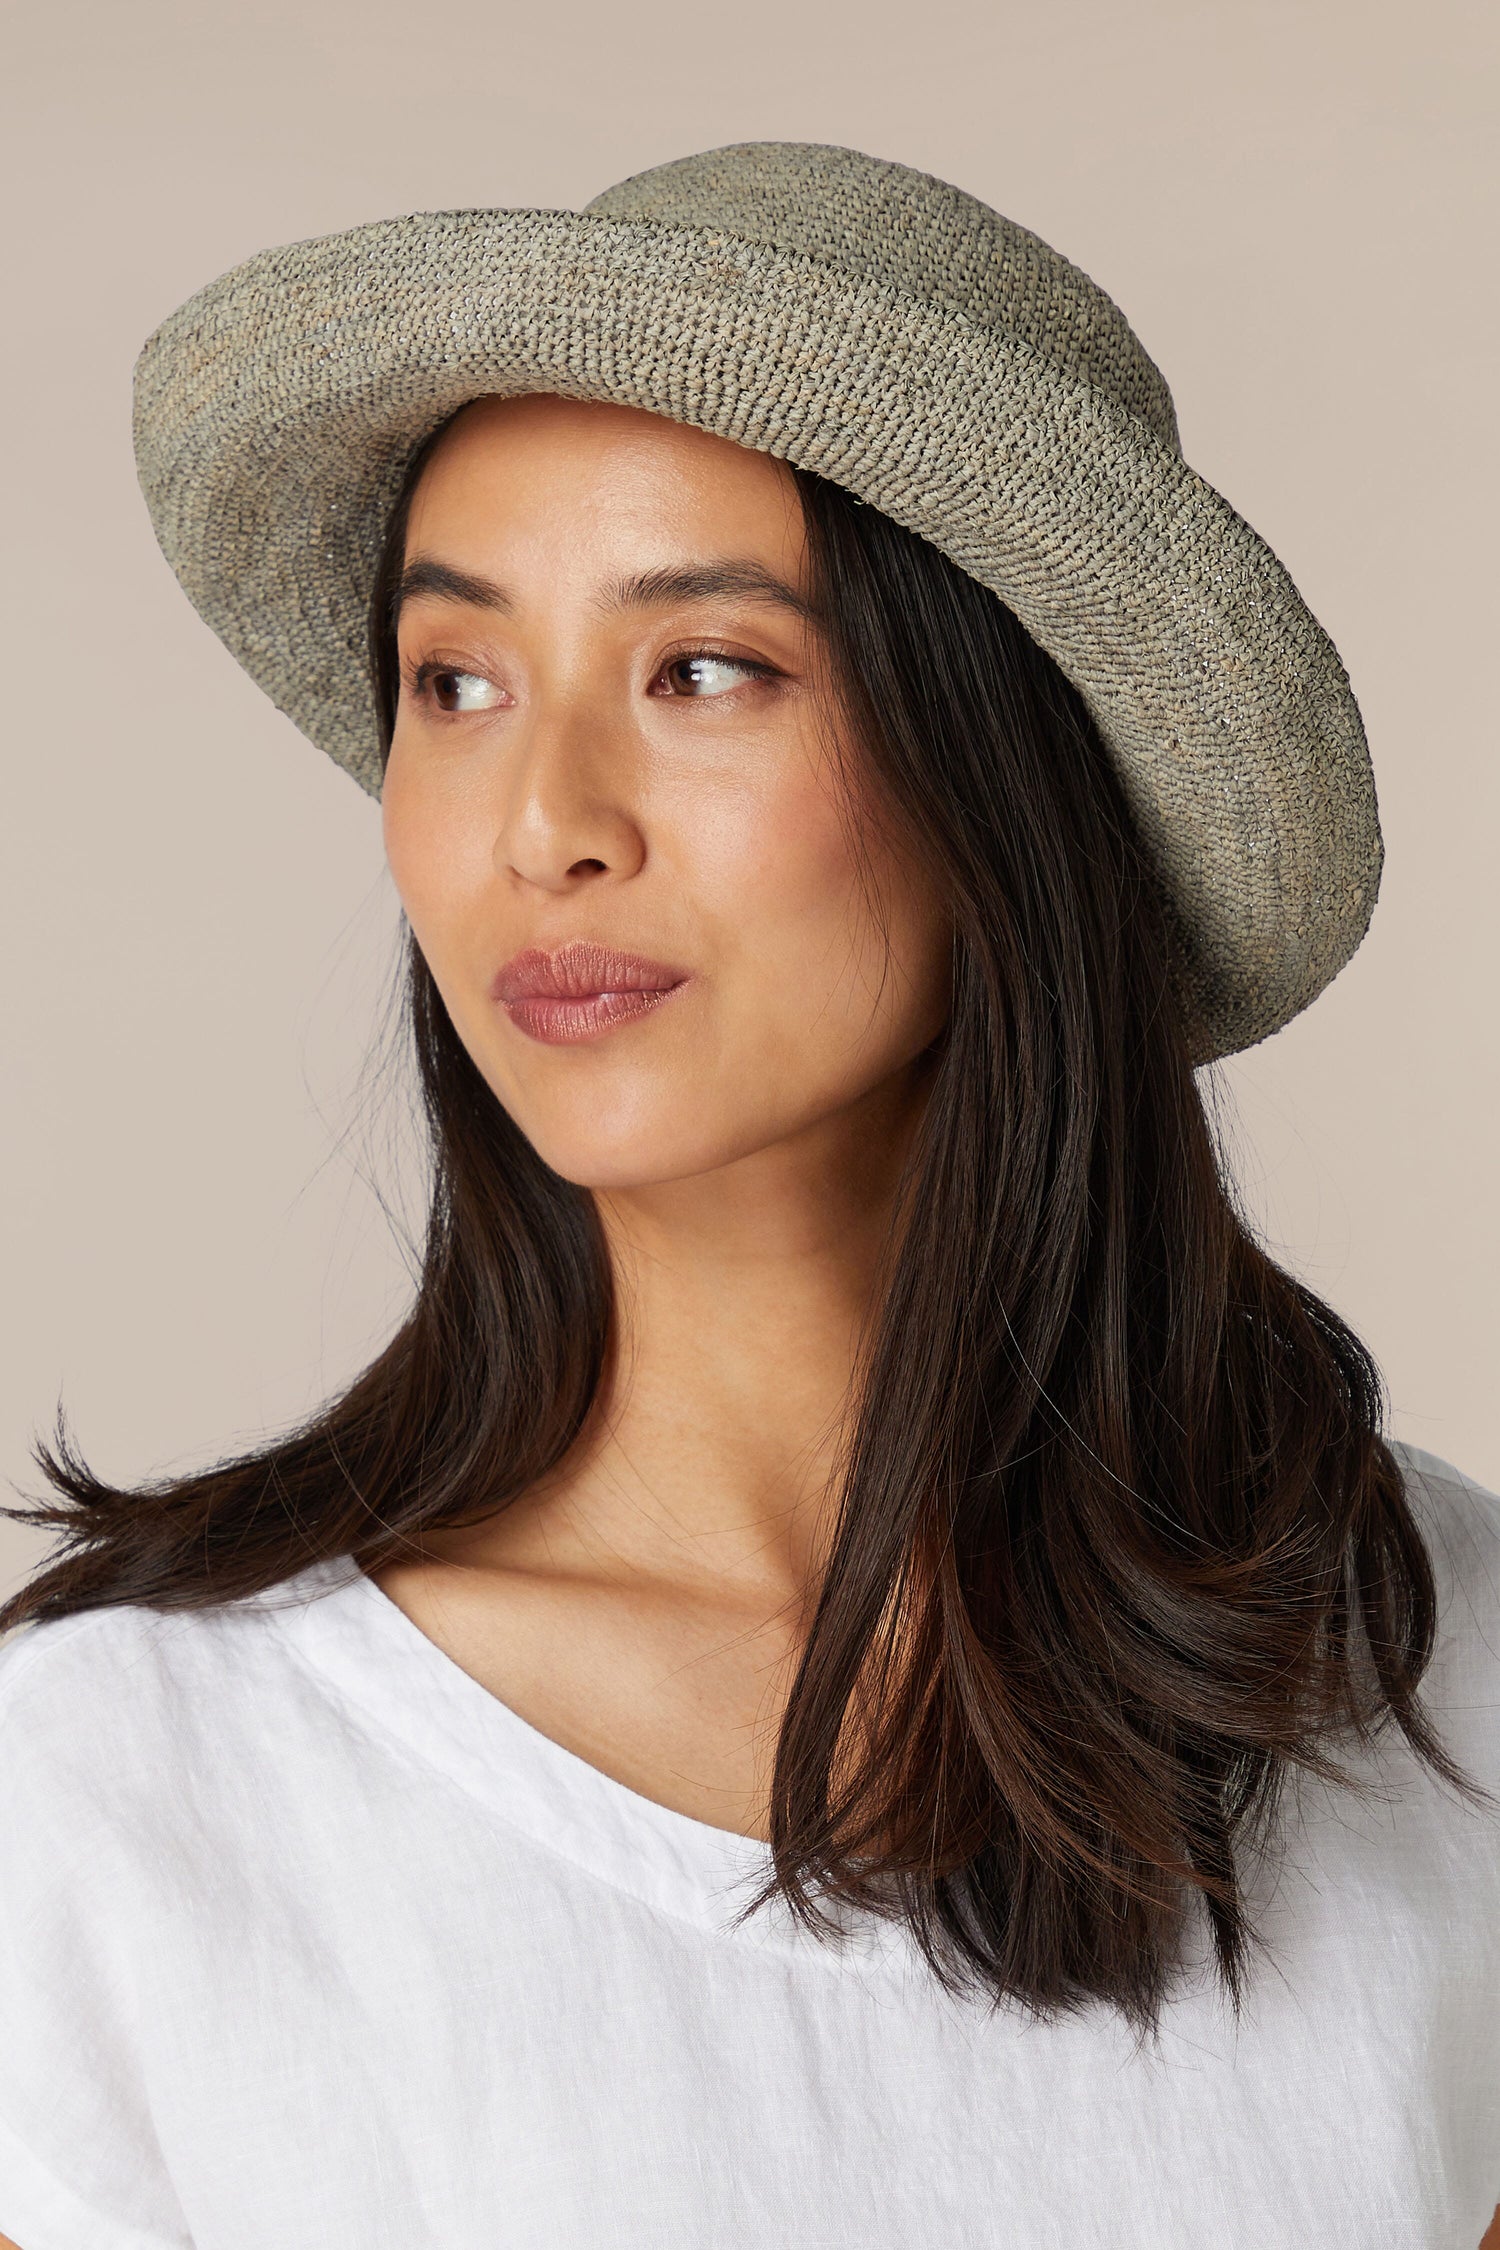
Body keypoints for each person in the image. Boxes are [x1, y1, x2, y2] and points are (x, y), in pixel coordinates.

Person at [0, 141, 1495, 2250]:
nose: (544, 823)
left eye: (705, 668)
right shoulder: (121, 1803)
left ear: (1008, 767)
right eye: (456, 681)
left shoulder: (1443, 1682)